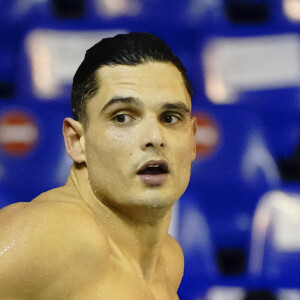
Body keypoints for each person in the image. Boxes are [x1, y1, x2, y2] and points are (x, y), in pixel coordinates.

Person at [0, 32, 196, 299]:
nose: (155, 138)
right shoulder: (55, 232)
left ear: (193, 140)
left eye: (170, 118)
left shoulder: (169, 259)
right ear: (76, 141)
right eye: (123, 117)